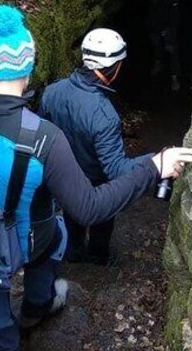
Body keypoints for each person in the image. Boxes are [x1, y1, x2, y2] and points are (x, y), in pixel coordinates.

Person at [0, 5, 192, 351]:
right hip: (31, 234)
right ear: (27, 66)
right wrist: (153, 166)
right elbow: (90, 209)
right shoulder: (42, 139)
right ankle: (36, 307)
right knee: (52, 241)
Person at [39, 28, 149, 265]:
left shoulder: (52, 92)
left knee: (72, 214)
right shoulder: (103, 115)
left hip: (64, 175)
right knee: (102, 216)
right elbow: (116, 169)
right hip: (95, 179)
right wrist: (155, 162)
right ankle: (98, 257)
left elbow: (43, 135)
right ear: (116, 66)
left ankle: (74, 254)